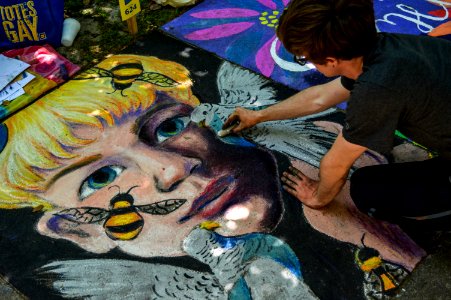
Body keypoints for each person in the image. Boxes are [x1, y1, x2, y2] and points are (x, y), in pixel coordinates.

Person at [223, 0, 451, 229]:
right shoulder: (387, 49)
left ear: (331, 61)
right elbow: (319, 97)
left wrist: (318, 197)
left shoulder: (377, 91)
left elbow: (337, 163)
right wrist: (259, 115)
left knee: (368, 191)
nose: (306, 62)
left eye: (303, 57)